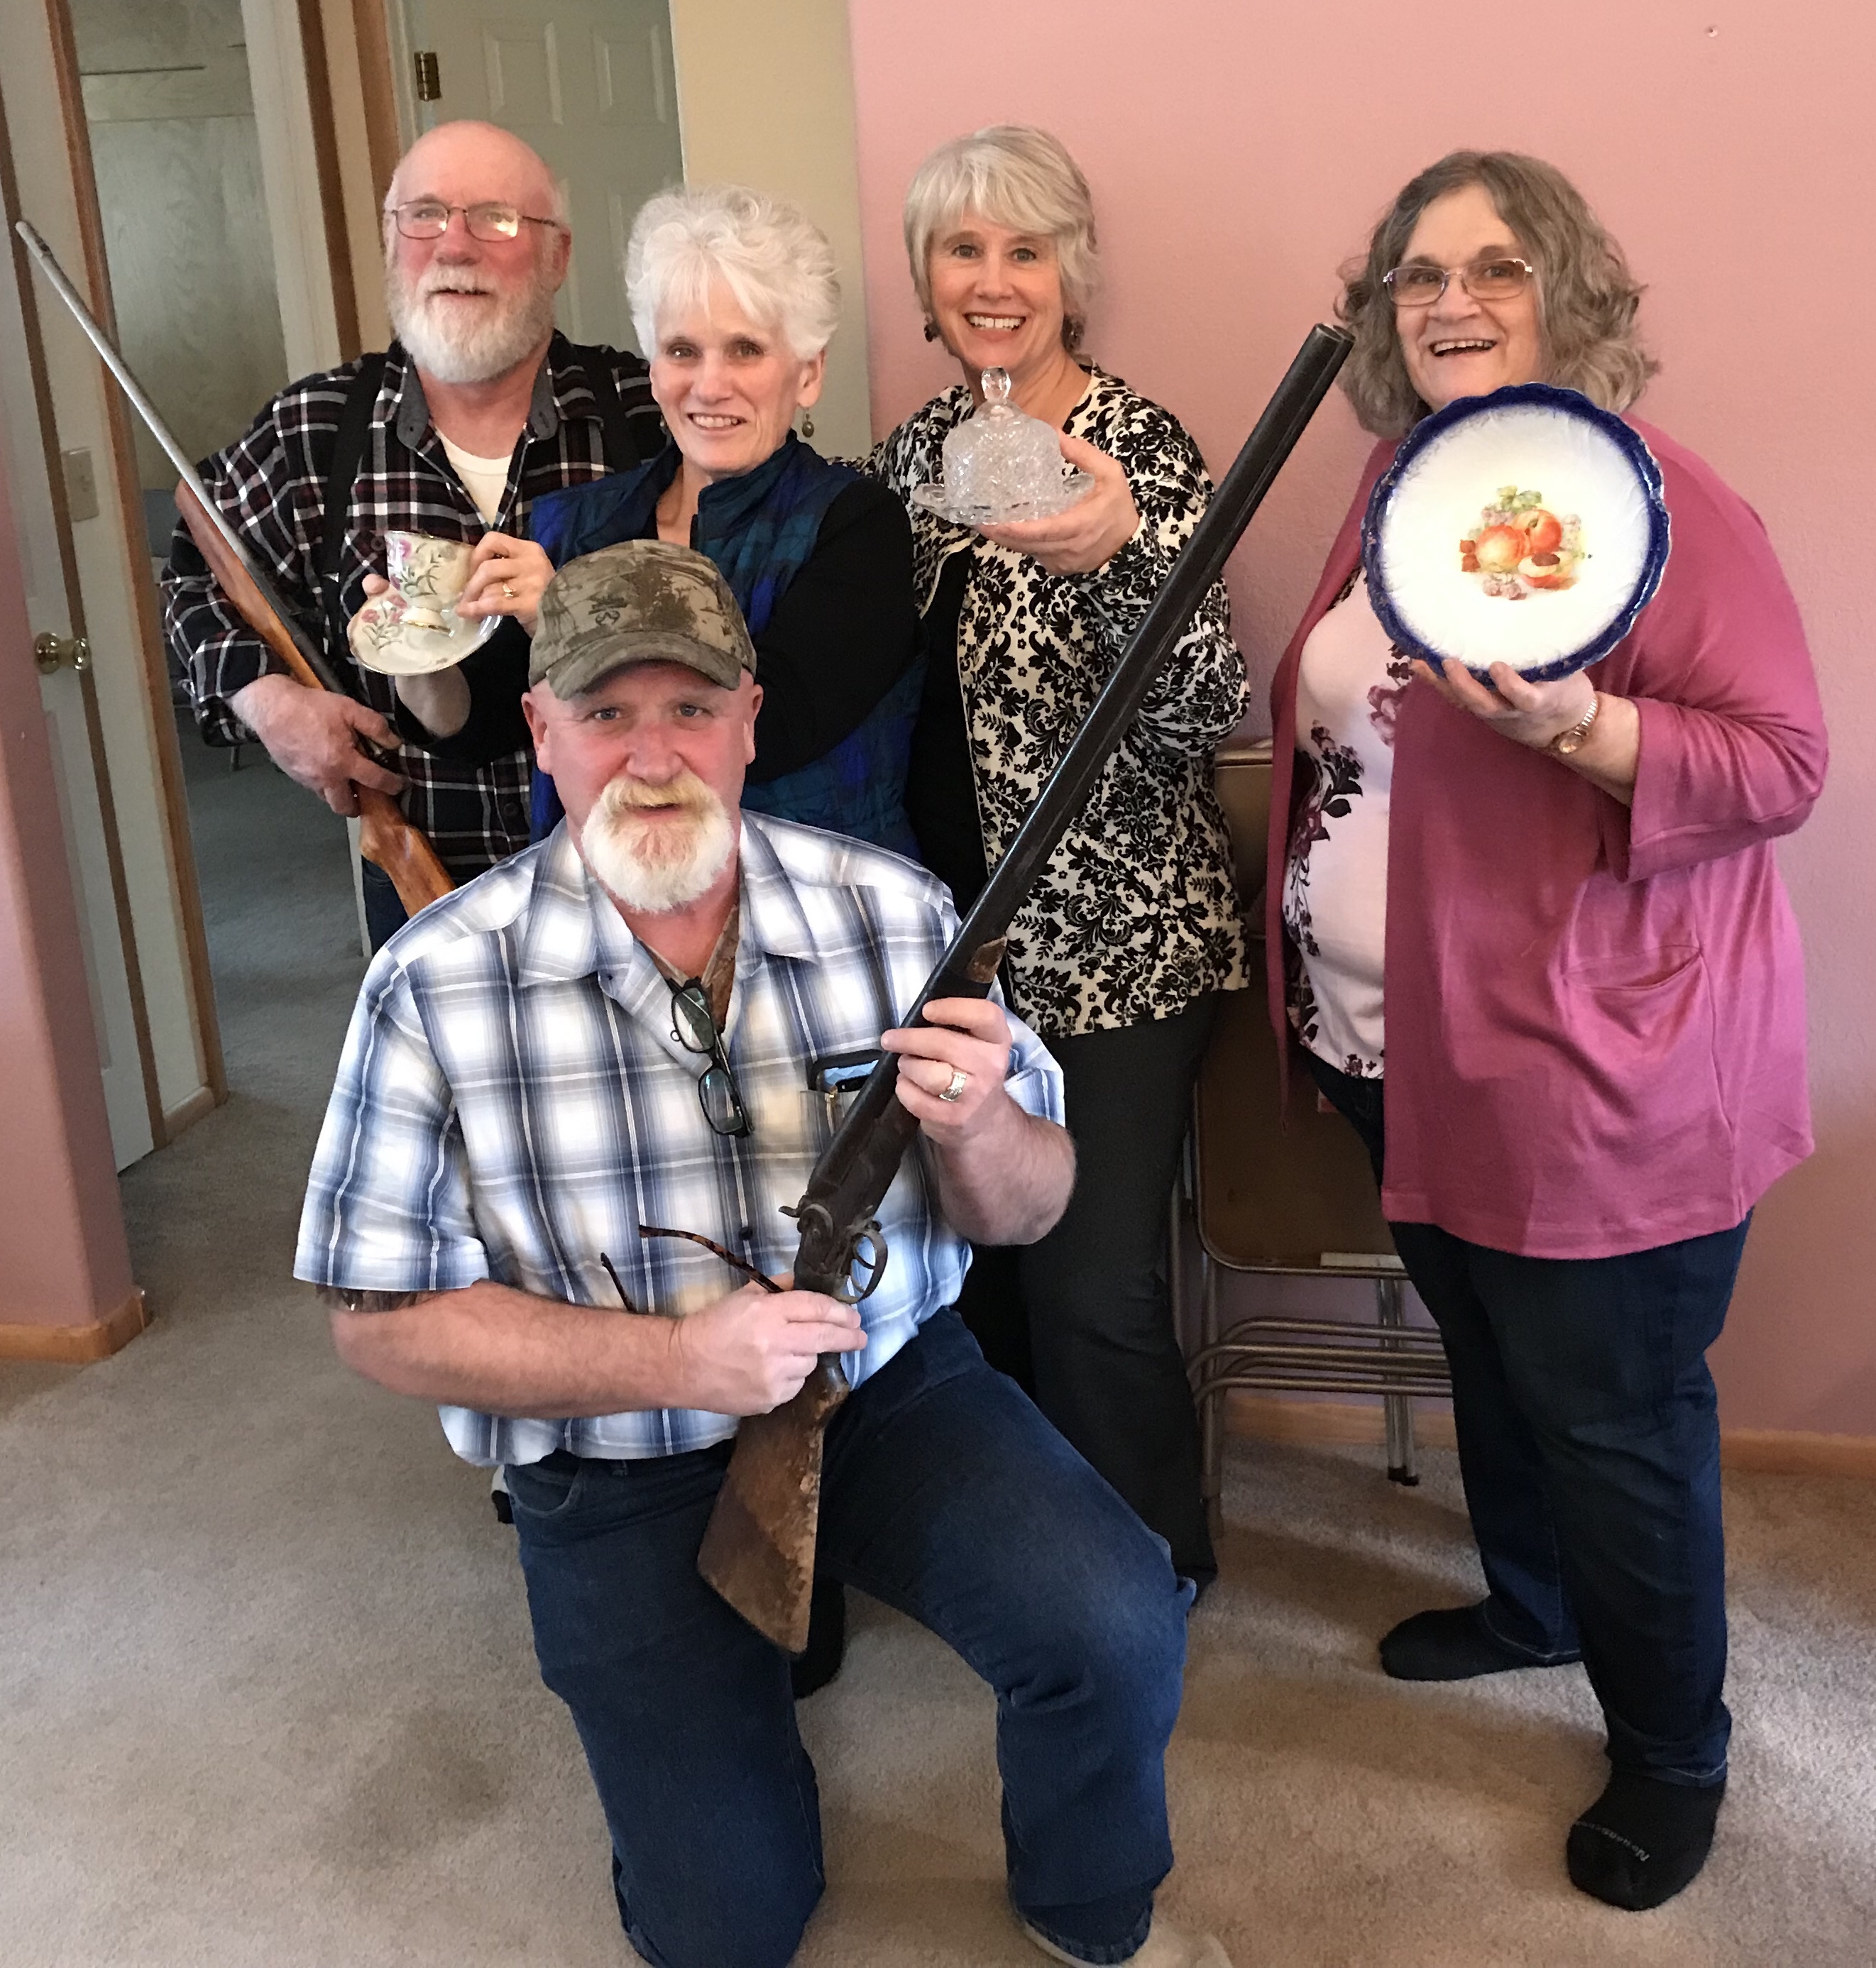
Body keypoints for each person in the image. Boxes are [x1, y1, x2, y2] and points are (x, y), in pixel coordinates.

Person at [297, 541, 1228, 1968]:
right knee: (723, 1928)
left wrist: (982, 1128)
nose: (652, 752)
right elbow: (379, 1316)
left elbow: (1033, 1209)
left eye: (691, 707)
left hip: (890, 1394)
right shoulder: (432, 981)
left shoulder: (898, 912)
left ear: (749, 720)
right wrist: (676, 1357)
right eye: (606, 713)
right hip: (614, 1454)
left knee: (1115, 1620)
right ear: (540, 731)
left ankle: (1088, 1900)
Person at [1266, 150, 1828, 1911]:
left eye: (1494, 268)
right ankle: (1535, 1604)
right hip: (1403, 1052)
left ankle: (1672, 1749)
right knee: (1495, 1363)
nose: (1451, 302)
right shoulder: (1401, 481)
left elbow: (1781, 764)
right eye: (1418, 274)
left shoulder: (1657, 503)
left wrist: (1585, 730)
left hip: (1599, 1075)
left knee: (1611, 1415)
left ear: (1567, 292)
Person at [869, 126, 1245, 1589]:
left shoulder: (1137, 447)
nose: (993, 279)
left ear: (1071, 275)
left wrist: (1123, 560)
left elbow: (1209, 705)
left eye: (1024, 250)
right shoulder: (907, 461)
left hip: (1120, 943)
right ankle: (1030, 1560)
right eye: (963, 249)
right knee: (975, 1277)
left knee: (1090, 1286)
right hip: (954, 950)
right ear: (926, 280)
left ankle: (1150, 1569)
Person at [162, 119, 663, 947]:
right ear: (392, 242)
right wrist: (269, 703)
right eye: (424, 215)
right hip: (422, 883)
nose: (454, 246)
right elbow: (193, 578)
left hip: (647, 876)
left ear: (558, 256)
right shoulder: (314, 430)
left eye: (495, 218)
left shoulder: (647, 413)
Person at [397, 182, 923, 857]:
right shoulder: (576, 524)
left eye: (745, 349)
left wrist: (572, 617)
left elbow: (772, 726)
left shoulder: (857, 525)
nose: (710, 385)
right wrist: (419, 653)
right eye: (682, 351)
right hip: (605, 903)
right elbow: (485, 724)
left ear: (808, 373)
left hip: (810, 902)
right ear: (652, 370)